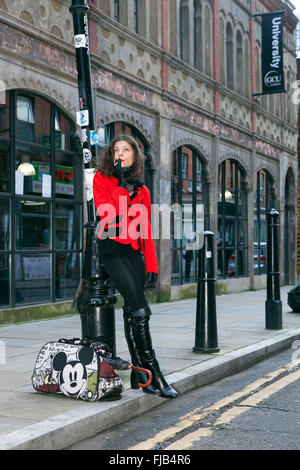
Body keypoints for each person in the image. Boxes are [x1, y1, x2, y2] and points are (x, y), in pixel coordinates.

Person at [93, 134, 178, 399]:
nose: (120, 153)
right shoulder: (101, 179)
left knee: (133, 312)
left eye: (125, 149)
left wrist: (151, 264)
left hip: (133, 253)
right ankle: (155, 372)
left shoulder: (142, 189)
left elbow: (145, 230)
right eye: (116, 149)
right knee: (142, 310)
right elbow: (107, 212)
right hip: (112, 250)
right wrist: (119, 182)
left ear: (134, 156)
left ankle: (141, 376)